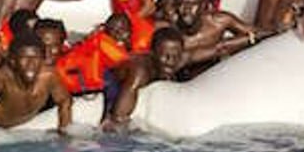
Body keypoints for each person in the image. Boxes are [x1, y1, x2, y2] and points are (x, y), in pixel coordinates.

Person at [102, 27, 243, 131]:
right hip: (112, 82)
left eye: (175, 56)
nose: (170, 61)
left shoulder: (180, 59)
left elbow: (220, 48)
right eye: (165, 56)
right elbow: (118, 118)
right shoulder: (141, 72)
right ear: (153, 52)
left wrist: (255, 37)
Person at [0, 32, 72, 133]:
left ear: (43, 60)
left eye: (35, 58)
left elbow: (65, 101)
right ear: (13, 61)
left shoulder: (49, 76)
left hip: (26, 128)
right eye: (24, 58)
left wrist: (64, 131)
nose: (31, 64)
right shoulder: (3, 77)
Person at [55, 12, 132, 95]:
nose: (119, 33)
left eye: (122, 29)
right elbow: (123, 60)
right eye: (114, 29)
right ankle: (113, 107)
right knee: (113, 81)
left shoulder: (102, 38)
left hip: (71, 72)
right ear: (107, 29)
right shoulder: (103, 42)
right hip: (73, 77)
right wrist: (128, 43)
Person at [172, 0, 257, 57]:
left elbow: (255, 33)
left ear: (202, 6)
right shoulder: (170, 34)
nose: (186, 10)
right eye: (180, 4)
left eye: (192, 4)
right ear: (175, 7)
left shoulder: (218, 21)